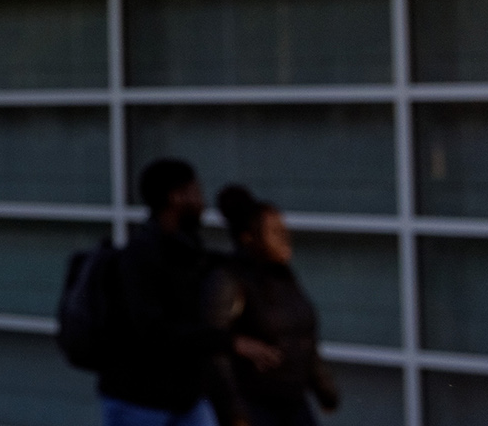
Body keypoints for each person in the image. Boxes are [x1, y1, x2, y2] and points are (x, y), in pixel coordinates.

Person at [99, 158, 231, 426]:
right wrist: (229, 341)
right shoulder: (141, 254)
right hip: (139, 401)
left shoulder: (189, 251)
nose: (202, 202)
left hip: (185, 396)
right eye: (196, 192)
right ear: (176, 197)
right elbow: (154, 329)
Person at [207, 185, 339, 426]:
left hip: (294, 403)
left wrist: (325, 389)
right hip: (254, 406)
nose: (285, 238)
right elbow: (214, 349)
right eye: (275, 232)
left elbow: (304, 337)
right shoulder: (229, 278)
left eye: (285, 230)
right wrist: (234, 412)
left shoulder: (283, 276)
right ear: (249, 237)